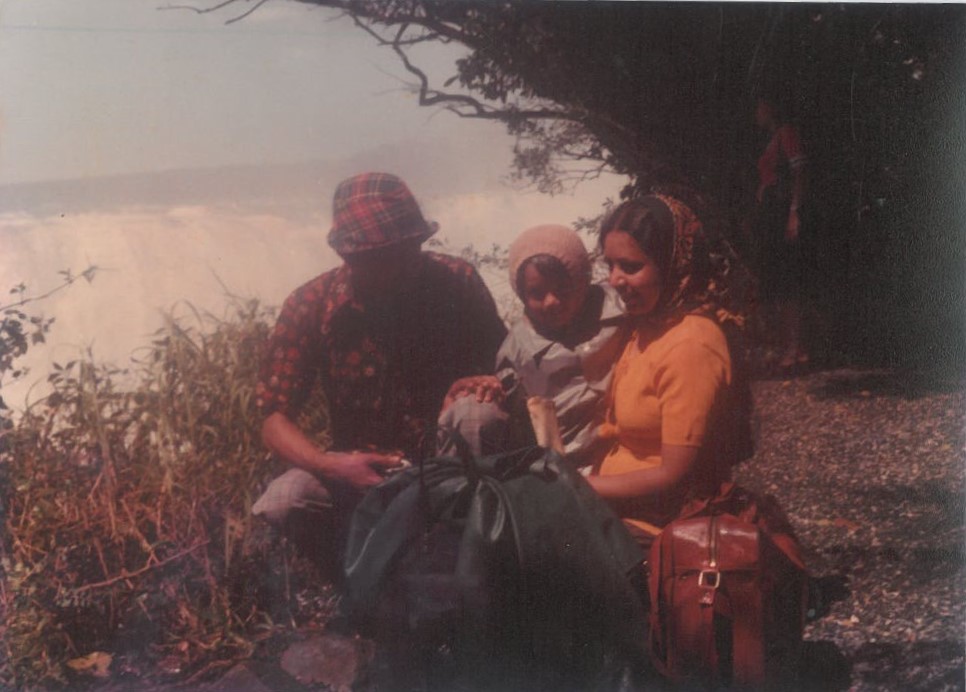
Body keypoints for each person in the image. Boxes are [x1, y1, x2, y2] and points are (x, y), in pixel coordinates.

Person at [252, 172, 507, 571]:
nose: (405, 265)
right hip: (360, 473)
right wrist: (329, 465)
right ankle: (361, 578)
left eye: (410, 249)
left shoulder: (456, 282)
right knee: (285, 500)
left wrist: (474, 386)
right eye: (386, 257)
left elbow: (502, 369)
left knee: (477, 414)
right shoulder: (311, 305)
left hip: (450, 462)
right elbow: (273, 419)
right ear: (350, 258)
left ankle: (475, 565)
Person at [588, 193, 753, 547]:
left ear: (672, 264)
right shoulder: (648, 325)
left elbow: (672, 474)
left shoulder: (691, 343)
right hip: (621, 502)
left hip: (661, 520)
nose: (615, 279)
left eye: (631, 266)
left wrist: (581, 487)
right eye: (610, 265)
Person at [438, 224, 628, 469]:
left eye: (562, 289)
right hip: (565, 462)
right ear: (522, 295)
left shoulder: (619, 305)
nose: (551, 302)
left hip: (629, 442)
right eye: (537, 293)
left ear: (583, 279)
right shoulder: (516, 349)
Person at [752, 96, 810, 371]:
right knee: (777, 280)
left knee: (788, 282)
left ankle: (795, 348)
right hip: (772, 214)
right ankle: (788, 346)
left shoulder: (786, 133)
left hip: (782, 211)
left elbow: (800, 173)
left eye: (761, 106)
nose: (757, 112)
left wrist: (794, 212)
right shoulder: (773, 138)